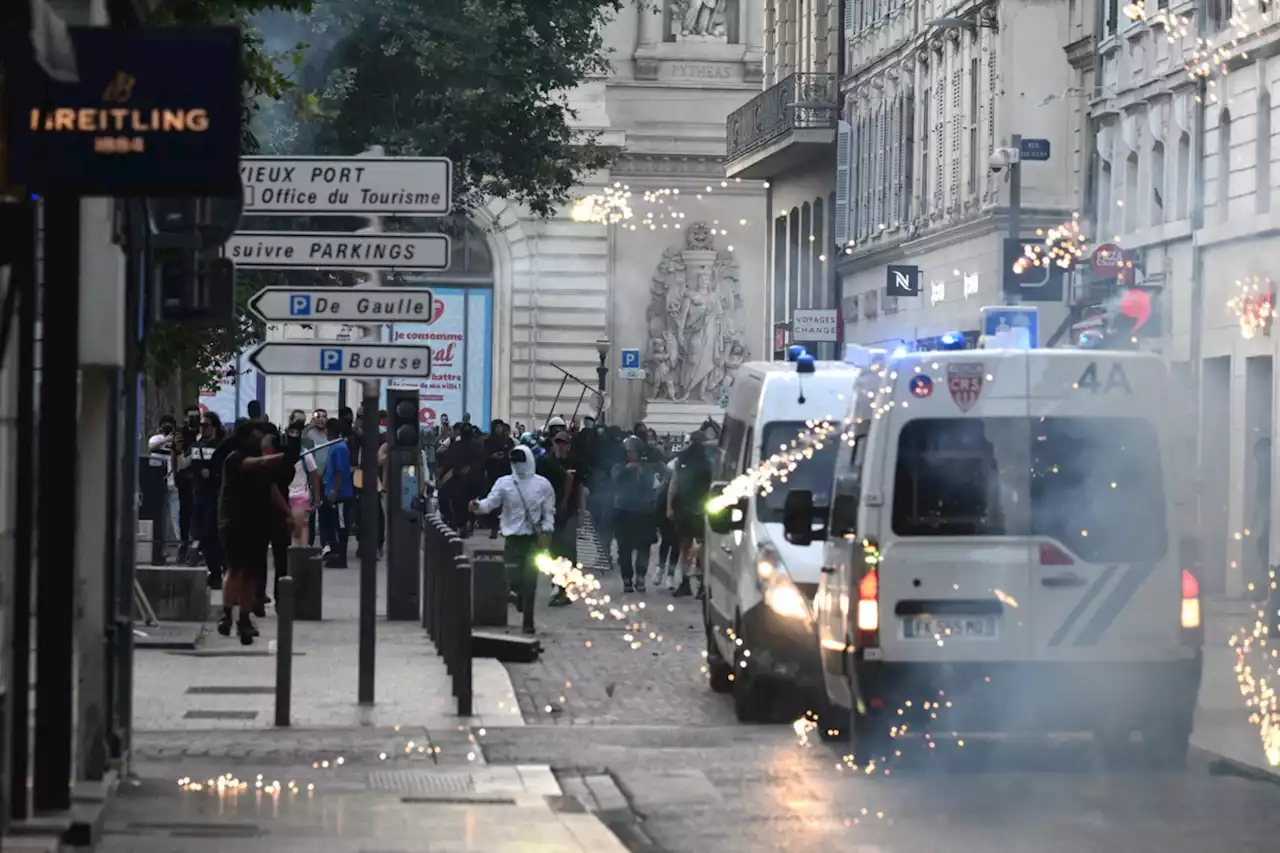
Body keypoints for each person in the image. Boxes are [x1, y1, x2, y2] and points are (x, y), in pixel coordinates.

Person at [218, 420, 297, 643]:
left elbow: (272, 488)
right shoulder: (235, 458)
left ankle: (244, 617)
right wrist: (281, 457)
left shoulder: (262, 467)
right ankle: (226, 615)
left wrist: (287, 512)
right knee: (235, 569)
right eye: (258, 433)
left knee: (251, 572)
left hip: (258, 521)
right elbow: (254, 463)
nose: (262, 437)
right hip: (234, 521)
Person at [470, 445, 556, 635]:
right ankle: (518, 599)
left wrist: (547, 531)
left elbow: (548, 512)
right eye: (514, 462)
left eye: (520, 461)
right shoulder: (504, 483)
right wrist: (478, 506)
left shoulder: (542, 485)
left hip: (532, 539)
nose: (518, 465)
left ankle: (528, 622)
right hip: (512, 540)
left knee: (530, 581)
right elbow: (491, 502)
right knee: (514, 580)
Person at [667, 421, 716, 598]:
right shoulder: (710, 461)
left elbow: (674, 485)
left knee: (685, 548)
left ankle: (686, 582)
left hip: (685, 508)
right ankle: (702, 585)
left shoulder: (682, 460)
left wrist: (669, 507)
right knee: (702, 548)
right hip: (703, 509)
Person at [539, 430, 588, 606]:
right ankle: (556, 584)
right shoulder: (546, 463)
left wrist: (582, 513)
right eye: (557, 443)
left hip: (570, 512)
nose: (560, 446)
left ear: (568, 445)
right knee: (552, 549)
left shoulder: (577, 463)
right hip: (550, 513)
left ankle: (566, 588)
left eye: (563, 443)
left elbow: (582, 489)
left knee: (568, 548)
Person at [613, 436, 658, 593]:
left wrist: (640, 473)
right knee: (623, 549)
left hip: (642, 512)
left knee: (643, 547)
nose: (632, 455)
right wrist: (627, 470)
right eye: (629, 452)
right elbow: (616, 479)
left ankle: (640, 577)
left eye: (635, 452)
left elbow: (650, 485)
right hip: (623, 511)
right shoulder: (619, 467)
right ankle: (627, 578)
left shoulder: (647, 468)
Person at [189, 412, 225, 588]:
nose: (203, 428)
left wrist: (213, 474)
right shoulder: (196, 445)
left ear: (215, 427)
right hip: (198, 494)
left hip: (215, 494)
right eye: (201, 426)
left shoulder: (220, 446)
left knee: (213, 534)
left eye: (206, 425)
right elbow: (186, 465)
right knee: (201, 534)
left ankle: (220, 571)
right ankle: (214, 571)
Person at [320, 418, 356, 567]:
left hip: (341, 496)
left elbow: (340, 472)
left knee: (341, 525)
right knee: (332, 524)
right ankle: (333, 553)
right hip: (333, 493)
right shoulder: (334, 447)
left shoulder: (339, 448)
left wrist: (335, 491)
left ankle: (341, 557)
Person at [653, 457, 681, 590]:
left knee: (676, 543)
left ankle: (670, 574)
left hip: (681, 509)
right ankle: (660, 569)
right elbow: (662, 493)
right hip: (665, 509)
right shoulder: (674, 465)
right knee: (666, 541)